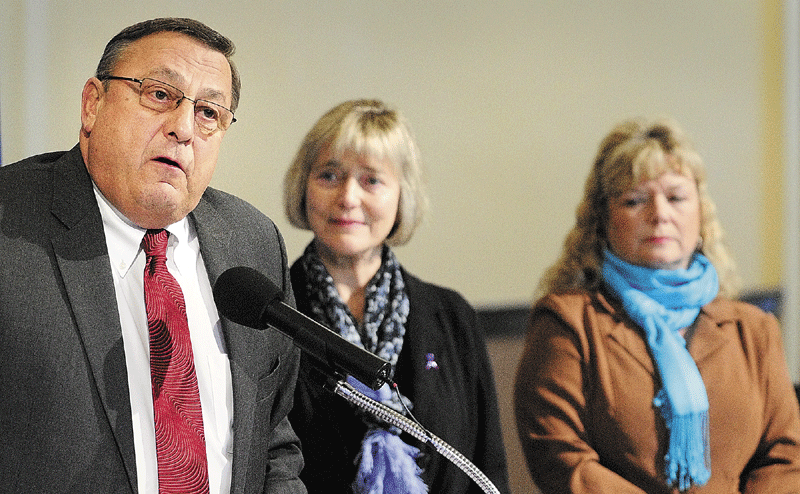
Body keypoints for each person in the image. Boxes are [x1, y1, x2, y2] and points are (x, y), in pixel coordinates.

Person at [0, 18, 306, 493]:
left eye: (209, 112)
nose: (183, 128)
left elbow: (273, 443)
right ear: (92, 104)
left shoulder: (252, 243)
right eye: (160, 94)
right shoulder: (10, 225)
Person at [513, 118, 800, 493]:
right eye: (635, 200)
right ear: (603, 221)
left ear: (701, 214)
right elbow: (561, 458)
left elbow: (785, 456)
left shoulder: (754, 329)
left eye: (676, 197)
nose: (659, 214)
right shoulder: (567, 323)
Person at [283, 99, 511, 494]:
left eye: (371, 180)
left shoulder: (451, 316)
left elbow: (486, 468)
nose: (348, 197)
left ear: (401, 195)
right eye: (329, 175)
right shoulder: (276, 313)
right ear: (304, 187)